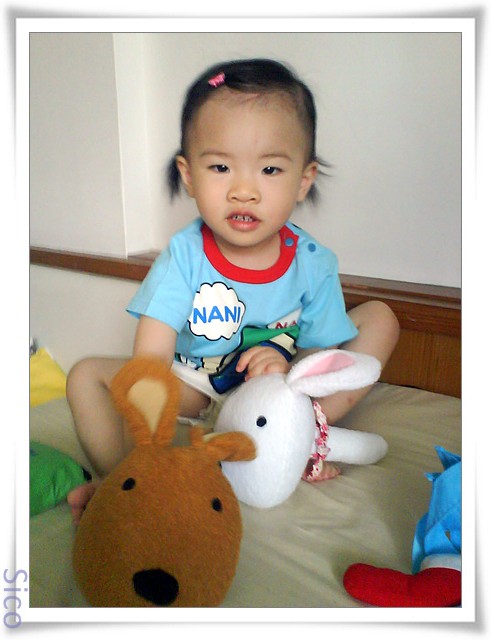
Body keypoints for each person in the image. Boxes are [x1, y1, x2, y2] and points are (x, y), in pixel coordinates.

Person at [67, 58, 399, 523]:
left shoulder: (313, 263)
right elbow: (151, 361)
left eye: (270, 170)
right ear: (189, 175)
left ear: (303, 180)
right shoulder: (185, 255)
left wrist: (286, 371)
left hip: (277, 395)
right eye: (221, 167)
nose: (244, 190)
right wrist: (146, 433)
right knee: (86, 375)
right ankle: (129, 479)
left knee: (380, 317)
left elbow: (321, 355)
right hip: (195, 387)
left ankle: (305, 434)